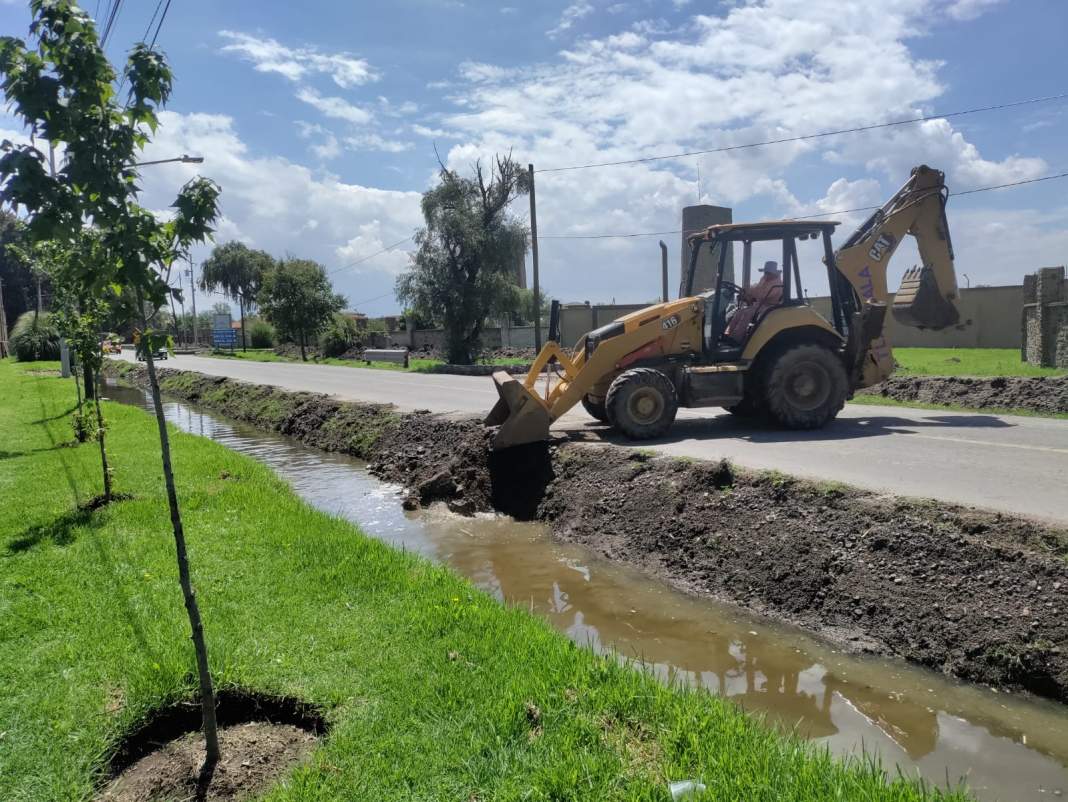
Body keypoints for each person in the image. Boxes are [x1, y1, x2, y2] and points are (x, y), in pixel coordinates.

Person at [724, 261, 783, 344]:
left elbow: (762, 294)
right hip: (759, 305)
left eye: (768, 273)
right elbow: (756, 288)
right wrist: (745, 292)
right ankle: (727, 334)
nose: (766, 274)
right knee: (739, 312)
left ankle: (736, 338)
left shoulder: (777, 284)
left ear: (773, 273)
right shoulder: (764, 279)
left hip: (769, 306)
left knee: (747, 313)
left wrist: (750, 293)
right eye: (765, 272)